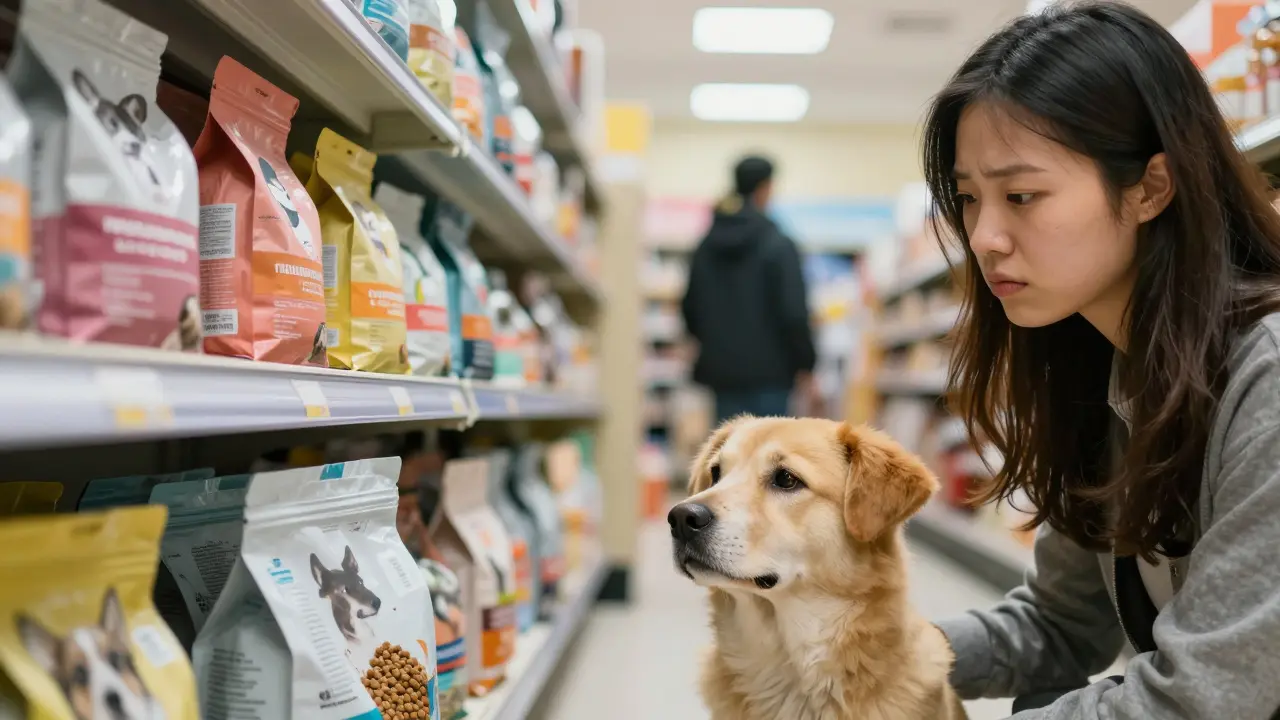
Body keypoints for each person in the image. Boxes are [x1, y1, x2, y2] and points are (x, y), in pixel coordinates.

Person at [922, 3, 1280, 718]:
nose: (984, 236)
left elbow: (1204, 699)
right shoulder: (1104, 368)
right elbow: (1061, 624)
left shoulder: (1266, 376)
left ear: (1151, 187)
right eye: (967, 198)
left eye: (1021, 195)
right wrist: (866, 658)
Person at [681, 155, 818, 423]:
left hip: (722, 374)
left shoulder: (706, 246)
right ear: (765, 188)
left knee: (730, 444)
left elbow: (690, 308)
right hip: (772, 373)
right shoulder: (778, 244)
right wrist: (806, 363)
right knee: (770, 444)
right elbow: (793, 312)